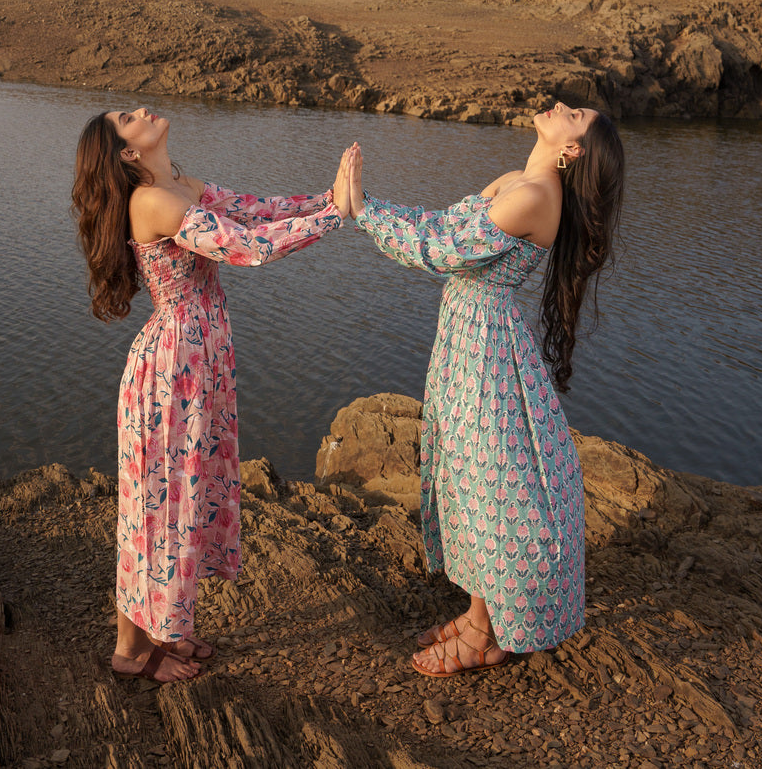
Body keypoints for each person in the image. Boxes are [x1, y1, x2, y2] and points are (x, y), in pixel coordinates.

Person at [72, 105, 353, 683]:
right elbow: (247, 247)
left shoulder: (180, 185)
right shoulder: (152, 201)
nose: (143, 109)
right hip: (171, 372)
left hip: (198, 368)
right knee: (155, 509)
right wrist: (336, 218)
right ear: (127, 153)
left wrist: (326, 199)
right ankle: (131, 651)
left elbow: (258, 211)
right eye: (128, 117)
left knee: (171, 503)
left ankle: (157, 630)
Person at [346, 101, 624, 677]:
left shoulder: (535, 196)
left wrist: (363, 211)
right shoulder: (519, 181)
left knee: (490, 484)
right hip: (467, 336)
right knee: (472, 475)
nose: (563, 105)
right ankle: (480, 614)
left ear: (571, 150)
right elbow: (439, 227)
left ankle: (484, 629)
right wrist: (365, 207)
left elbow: (438, 253)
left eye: (575, 114)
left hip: (486, 351)